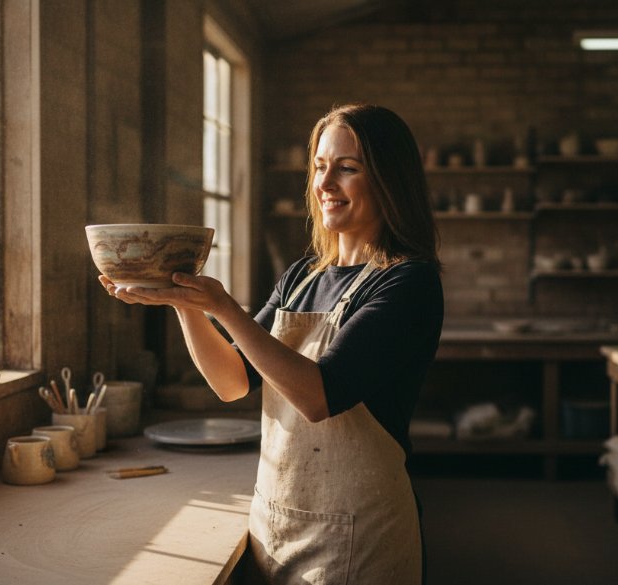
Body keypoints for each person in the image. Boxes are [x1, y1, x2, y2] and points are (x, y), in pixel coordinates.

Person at [100, 103, 443, 584]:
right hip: (278, 519)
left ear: (390, 179)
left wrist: (224, 309)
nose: (324, 185)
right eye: (320, 167)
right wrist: (184, 303)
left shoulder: (408, 282)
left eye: (347, 168)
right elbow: (232, 382)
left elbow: (319, 395)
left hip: (360, 534)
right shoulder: (302, 277)